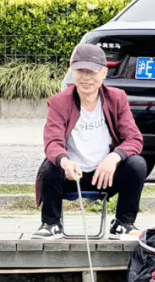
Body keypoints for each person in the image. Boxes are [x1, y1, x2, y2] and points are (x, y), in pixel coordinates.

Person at [33, 43, 148, 240]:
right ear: (72, 71)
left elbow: (134, 138)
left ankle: (123, 223)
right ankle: (51, 223)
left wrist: (114, 158)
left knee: (137, 164)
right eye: (80, 71)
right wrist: (65, 163)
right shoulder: (59, 102)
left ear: (104, 73)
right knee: (50, 167)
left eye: (92, 72)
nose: (86, 78)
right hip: (72, 175)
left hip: (105, 175)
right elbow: (52, 142)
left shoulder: (117, 98)